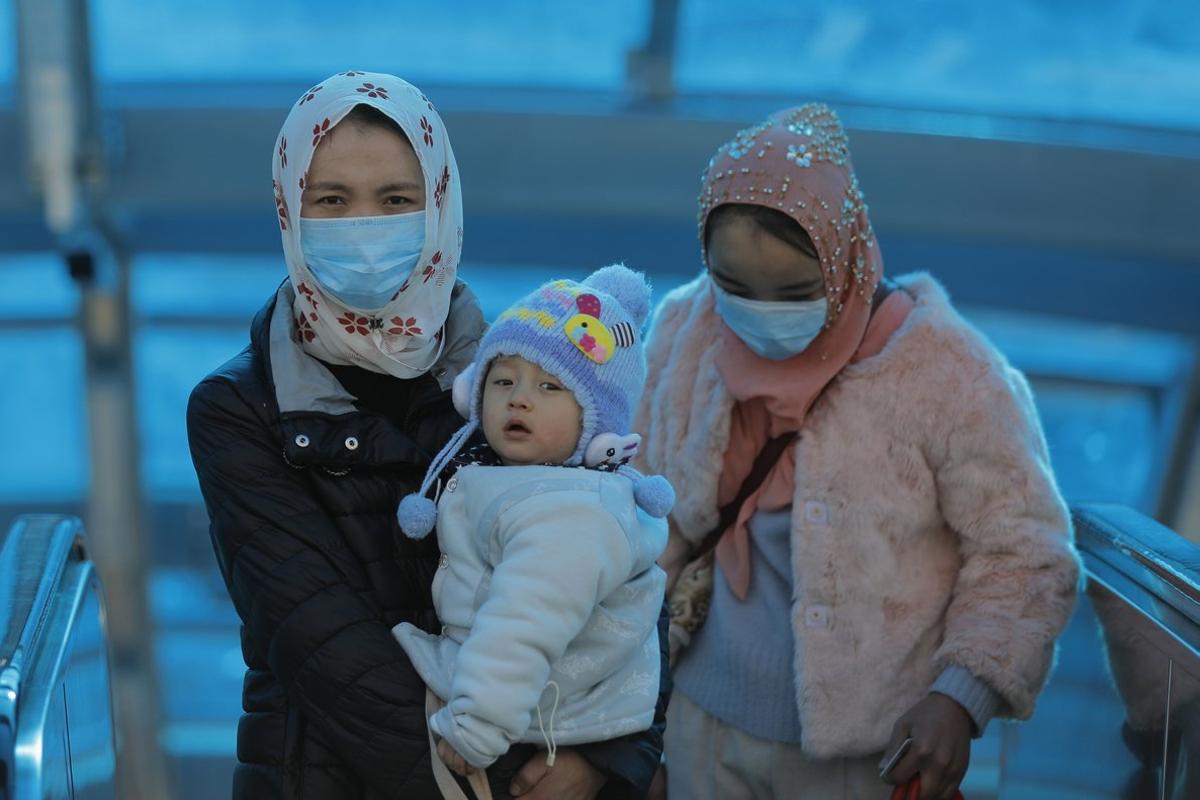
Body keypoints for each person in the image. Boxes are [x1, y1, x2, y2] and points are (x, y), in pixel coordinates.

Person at [187, 71, 669, 800]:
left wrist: (607, 759)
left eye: (395, 200)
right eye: (332, 201)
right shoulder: (240, 408)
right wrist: (488, 786)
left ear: (439, 202)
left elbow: (617, 560)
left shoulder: (522, 373)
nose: (363, 227)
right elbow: (323, 645)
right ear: (291, 208)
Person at [633, 103, 1081, 800]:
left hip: (868, 756)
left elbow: (1026, 549)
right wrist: (636, 719)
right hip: (702, 726)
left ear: (845, 259)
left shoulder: (944, 368)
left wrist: (961, 696)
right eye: (734, 288)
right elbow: (641, 520)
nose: (761, 314)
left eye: (795, 292)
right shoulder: (685, 331)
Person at [390, 265, 673, 798]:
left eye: (549, 386)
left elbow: (524, 624)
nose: (519, 398)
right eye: (503, 380)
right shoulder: (527, 481)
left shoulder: (569, 511)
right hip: (530, 706)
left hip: (526, 718)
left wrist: (475, 727)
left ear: (596, 423)